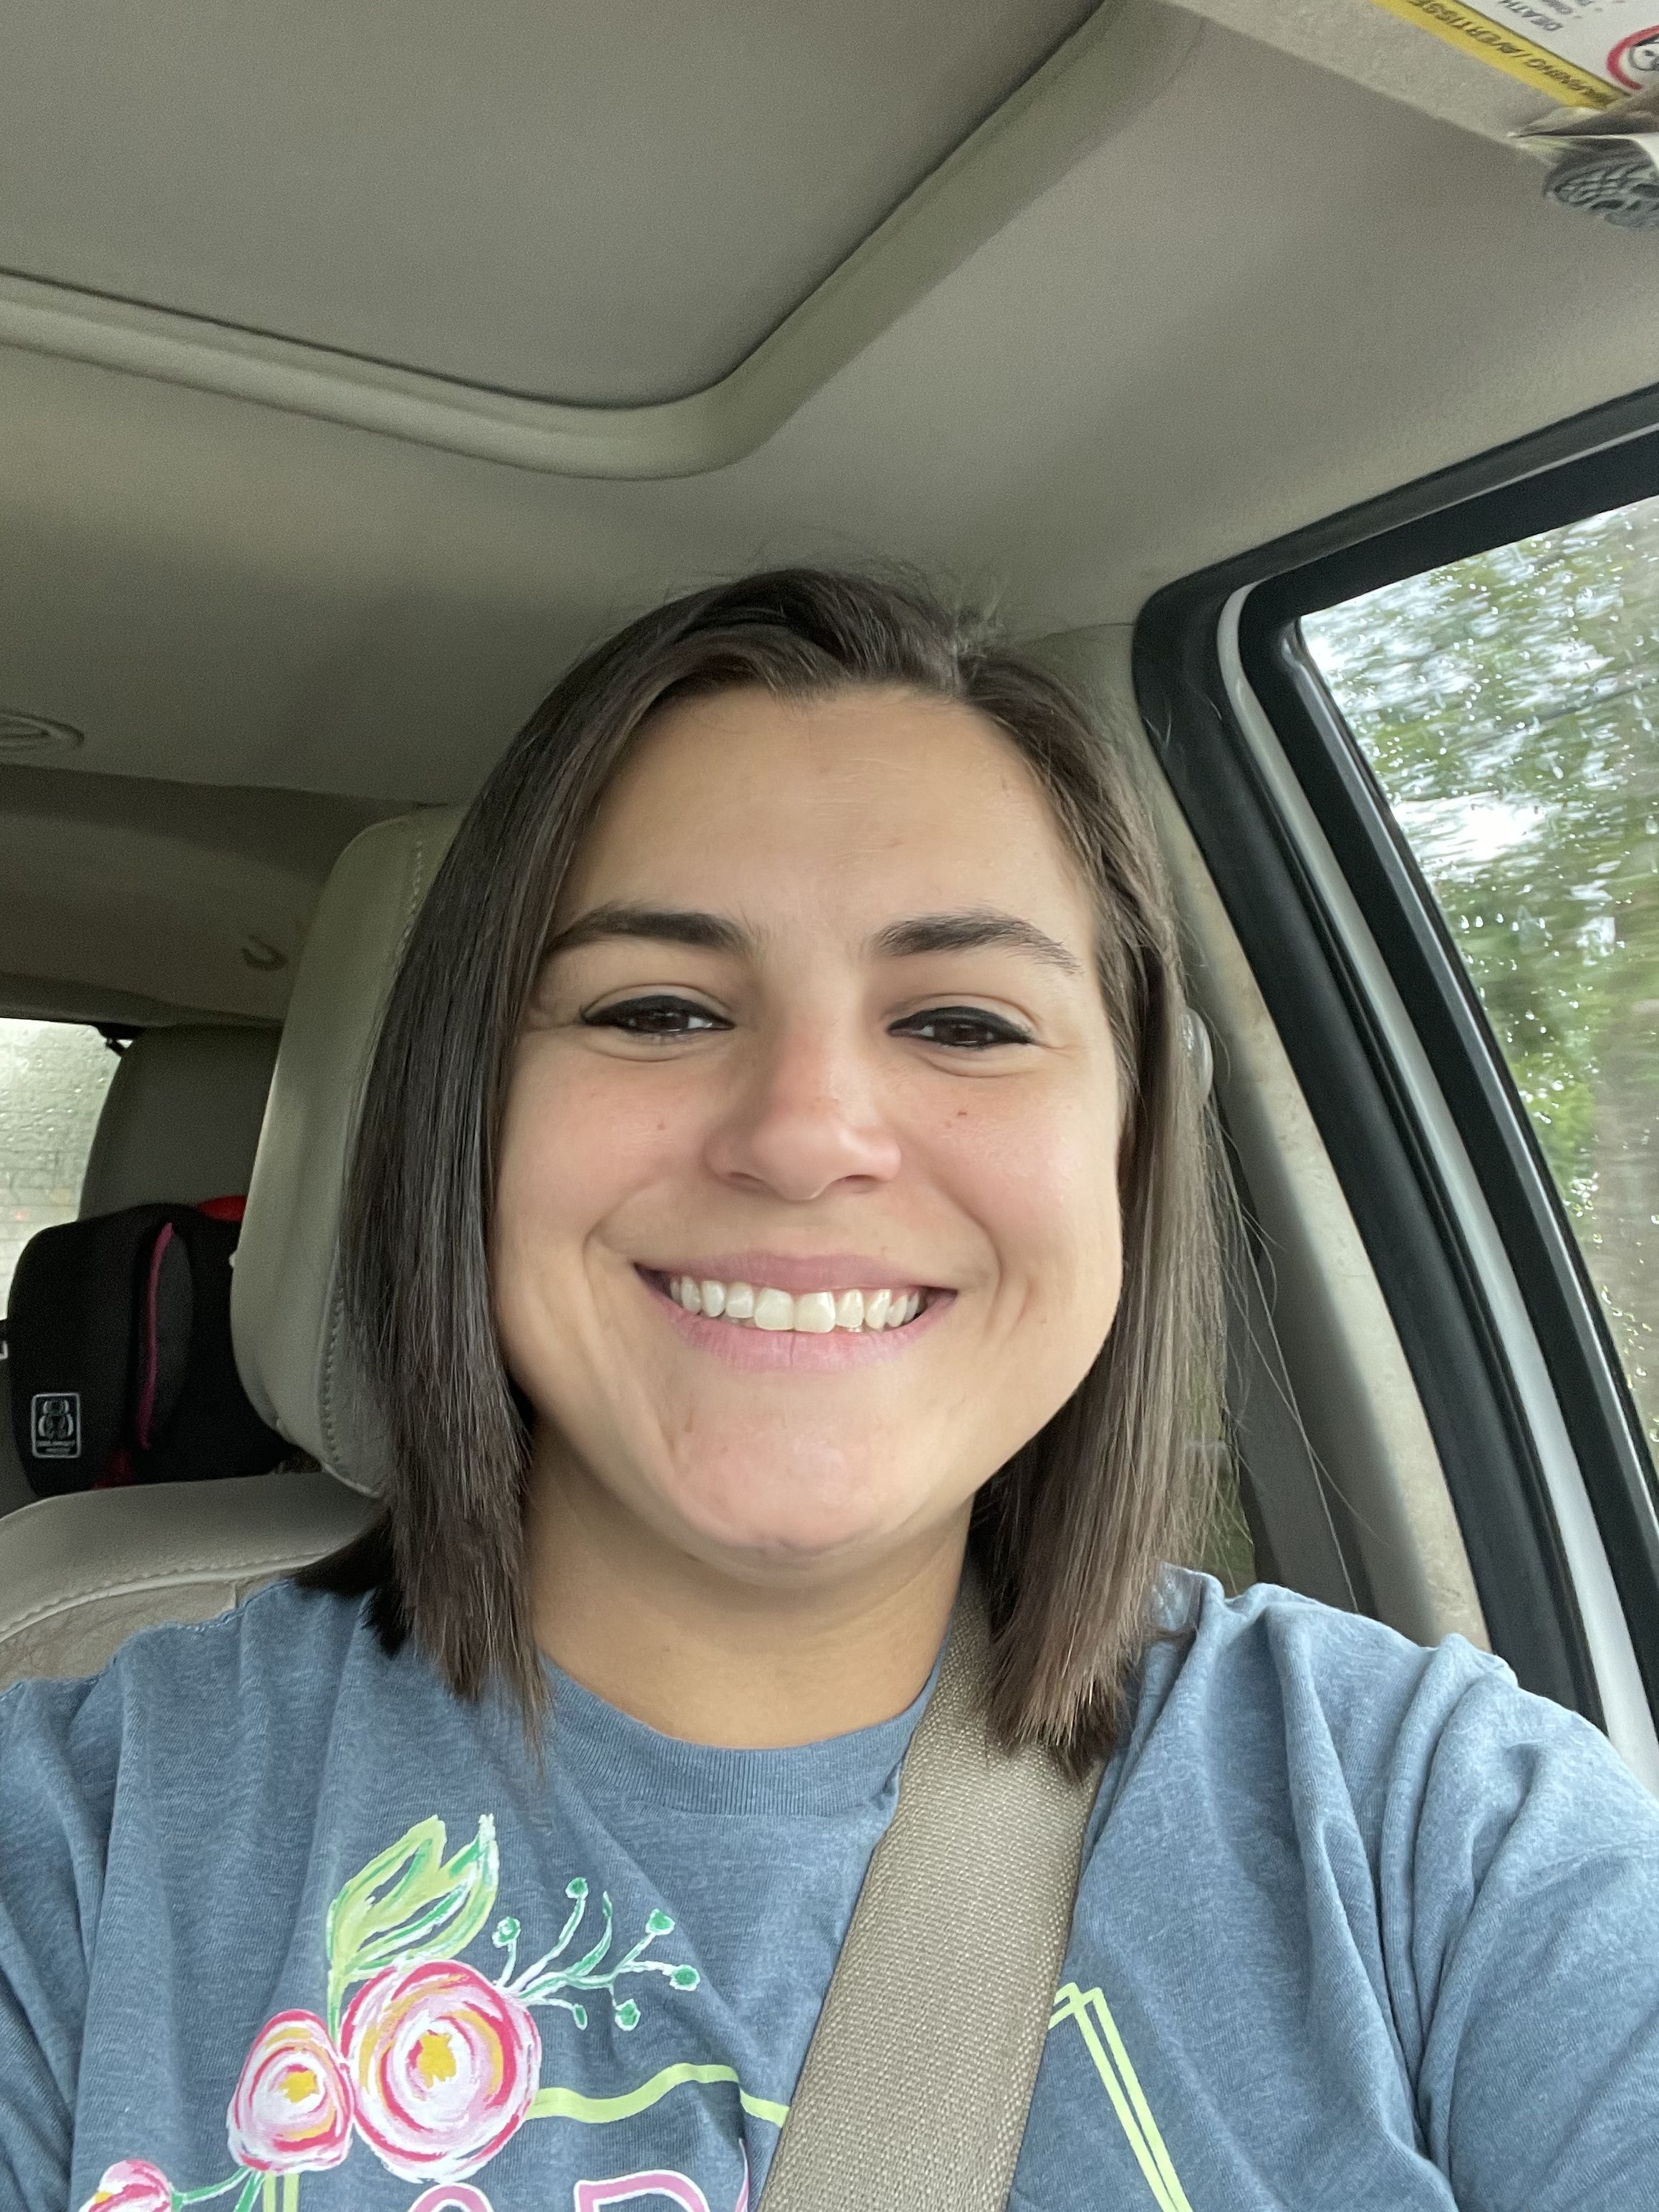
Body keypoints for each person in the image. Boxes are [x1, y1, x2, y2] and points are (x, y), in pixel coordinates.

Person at [1, 569, 1655, 2212]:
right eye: (656, 1008)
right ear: (467, 1124)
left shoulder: (1445, 1833)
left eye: (964, 1022)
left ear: (1129, 1150)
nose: (803, 1133)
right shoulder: (70, 1849)